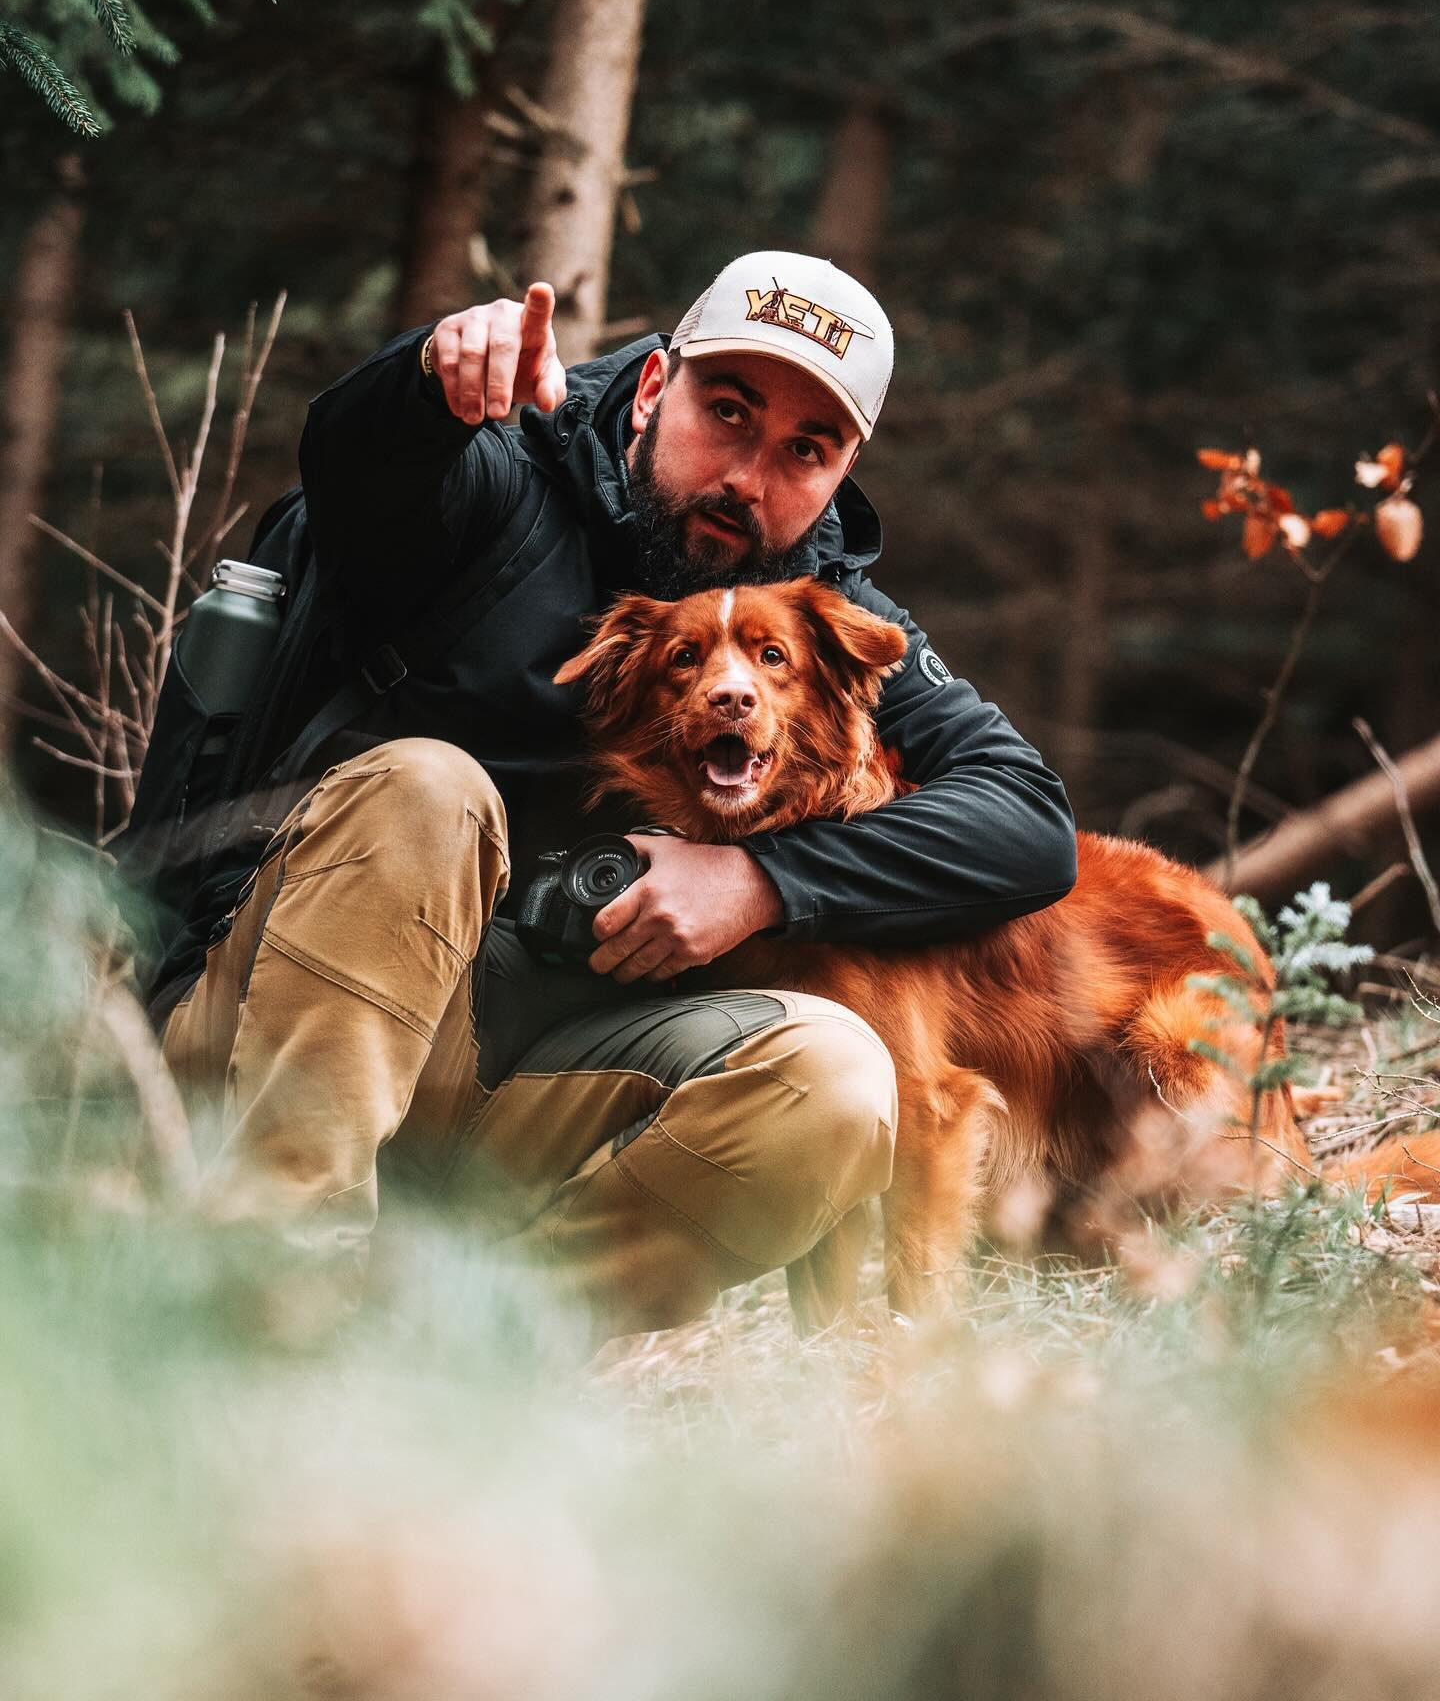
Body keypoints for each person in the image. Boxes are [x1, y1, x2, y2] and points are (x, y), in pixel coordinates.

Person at [159, 251, 1076, 1341]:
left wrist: (762, 881)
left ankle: (463, 1359)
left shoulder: (818, 615)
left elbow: (1027, 821)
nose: (748, 475)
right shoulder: (497, 481)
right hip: (278, 1029)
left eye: (804, 451)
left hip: (518, 1067)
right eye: (727, 413)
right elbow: (356, 465)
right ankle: (264, 1302)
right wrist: (428, 379)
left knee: (833, 1079)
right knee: (431, 789)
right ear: (653, 389)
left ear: (840, 478)